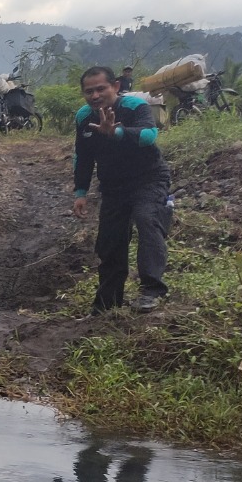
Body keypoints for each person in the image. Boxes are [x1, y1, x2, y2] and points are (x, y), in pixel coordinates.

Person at [71, 67, 172, 312]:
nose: (95, 96)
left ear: (115, 86)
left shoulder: (135, 107)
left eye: (100, 89)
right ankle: (107, 302)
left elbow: (148, 135)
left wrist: (115, 132)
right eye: (89, 91)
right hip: (113, 187)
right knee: (110, 241)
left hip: (148, 179)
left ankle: (151, 290)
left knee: (147, 219)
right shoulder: (84, 117)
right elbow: (82, 157)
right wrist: (80, 192)